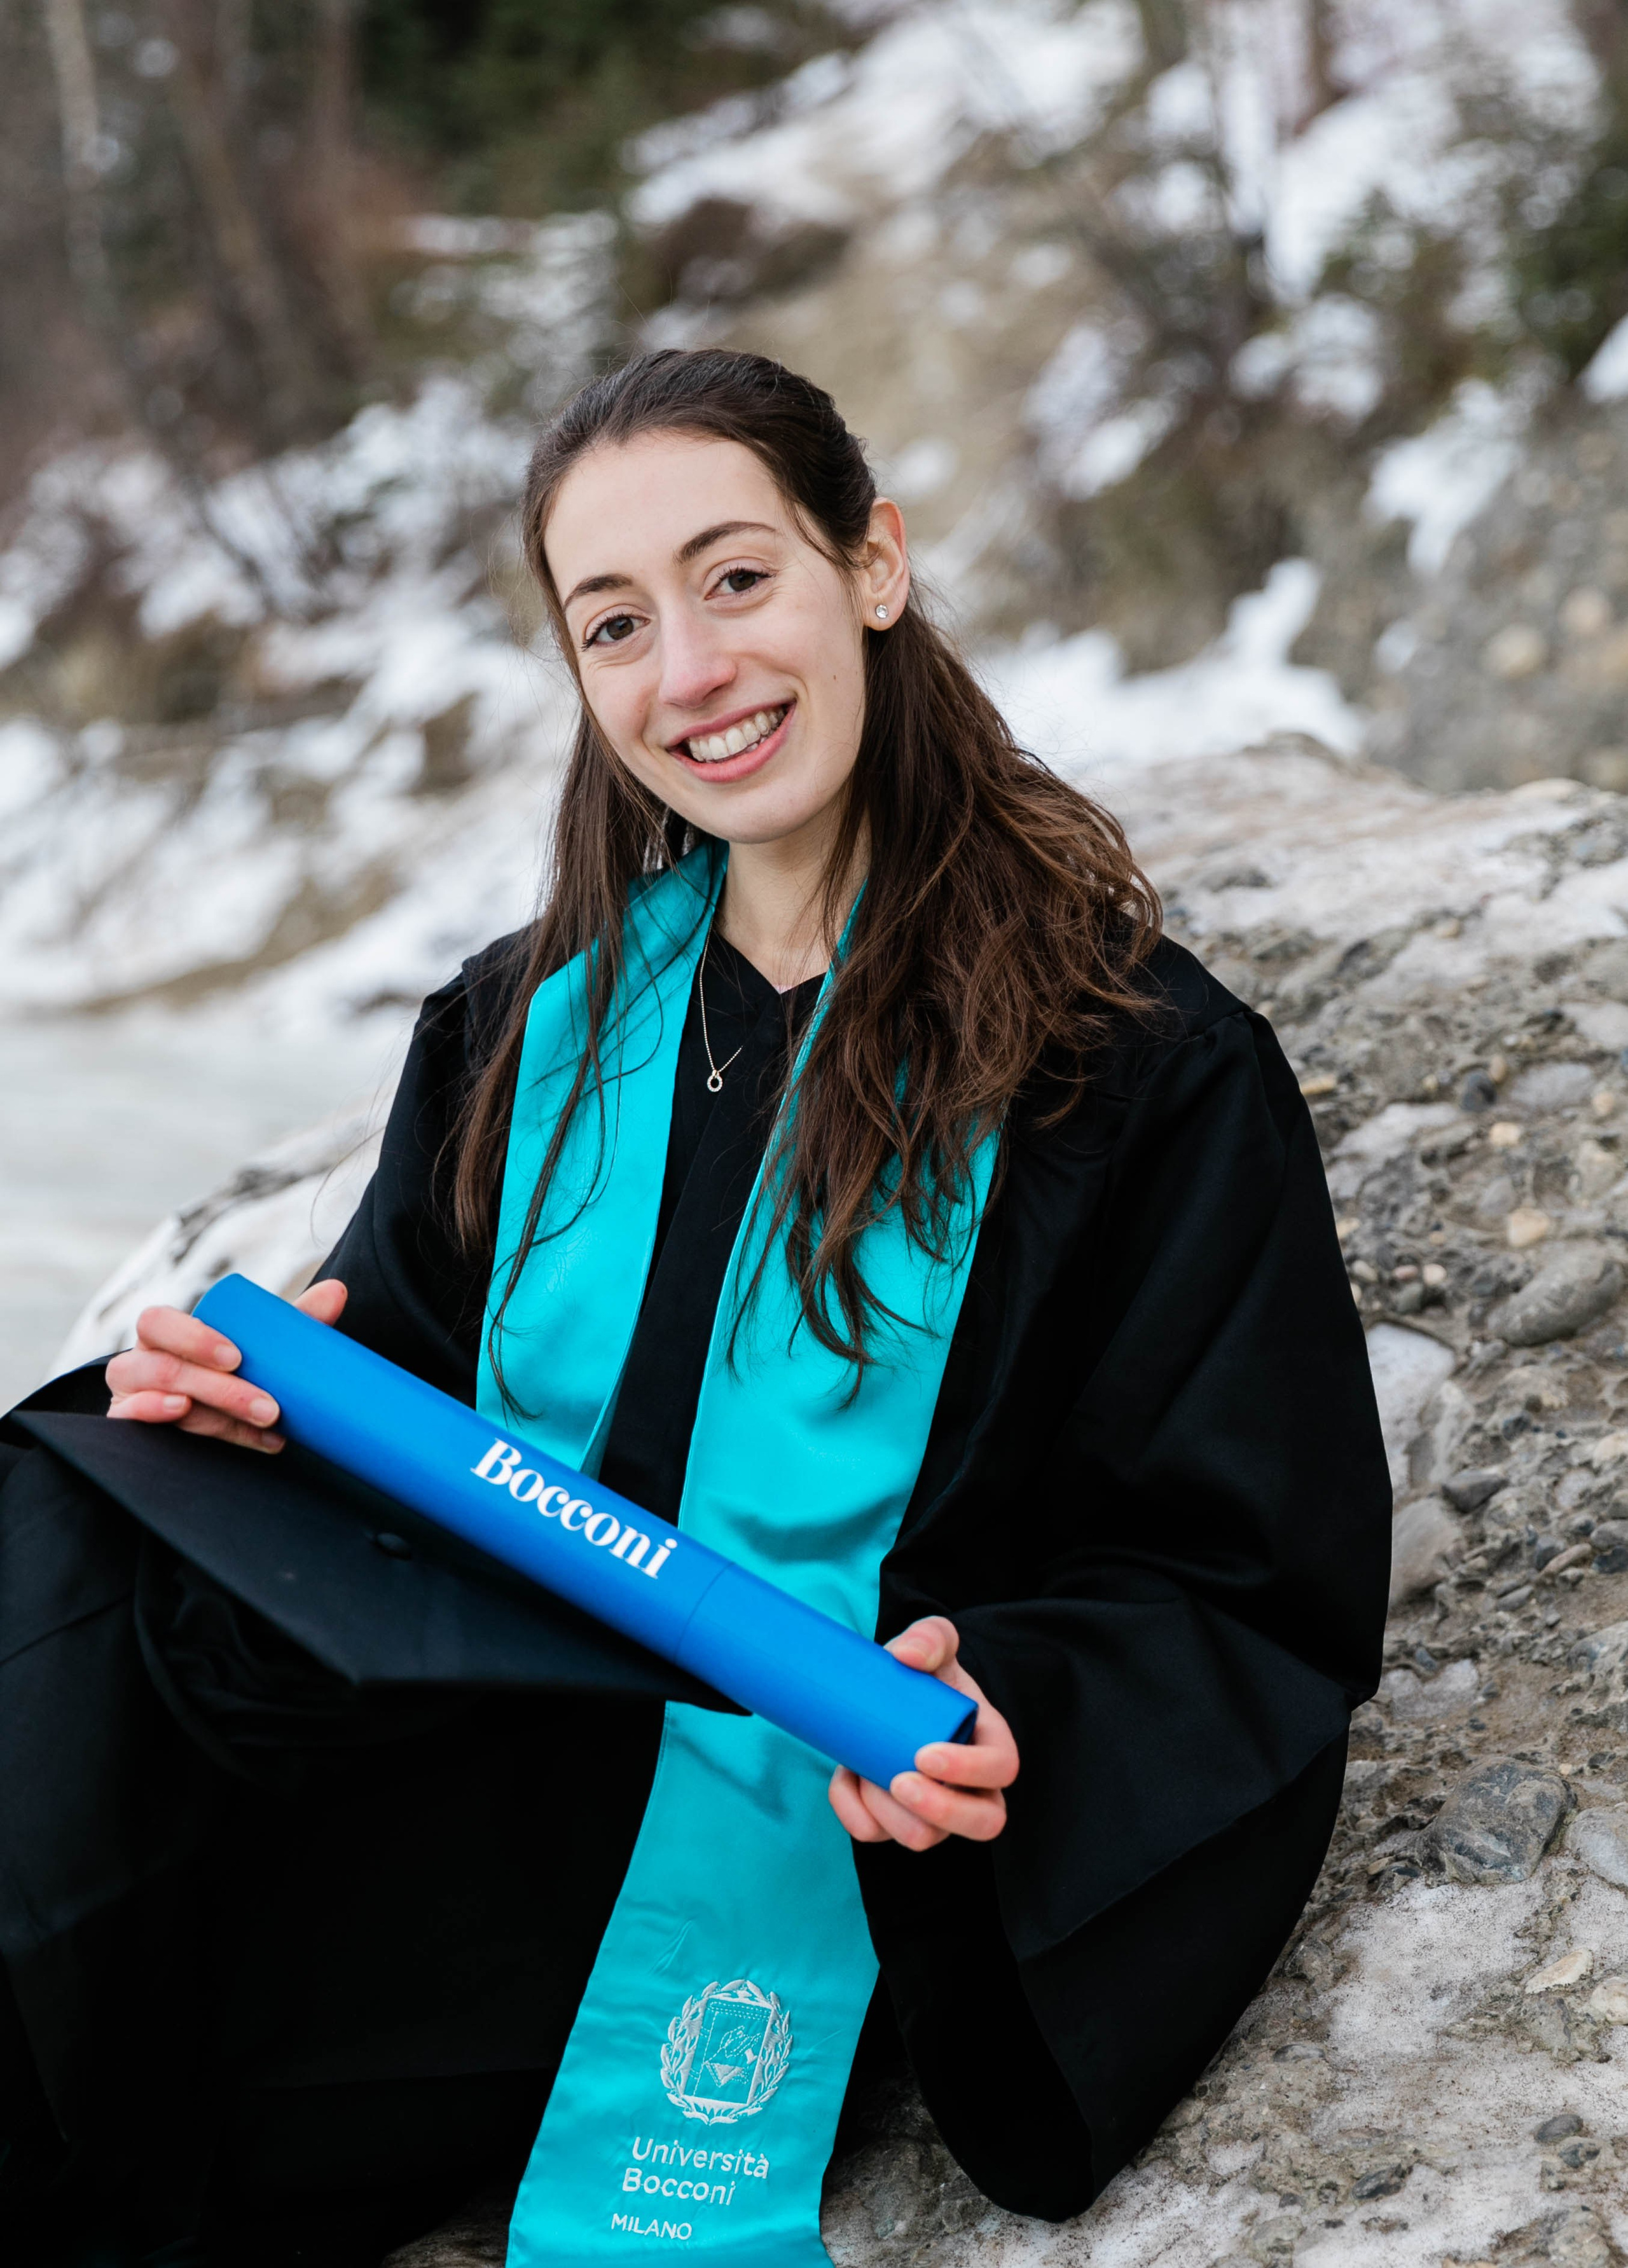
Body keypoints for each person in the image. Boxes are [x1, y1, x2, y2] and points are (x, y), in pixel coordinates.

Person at [1, 348, 1391, 2268]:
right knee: (69, 1498)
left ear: (871, 565)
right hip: (470, 1726)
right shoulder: (532, 1020)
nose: (692, 673)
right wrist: (270, 1408)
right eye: (617, 624)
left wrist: (1011, 1699)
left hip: (777, 1829)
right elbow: (417, 1367)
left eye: (737, 579)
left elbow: (1241, 1573)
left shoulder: (1126, 1069)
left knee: (141, 2067)